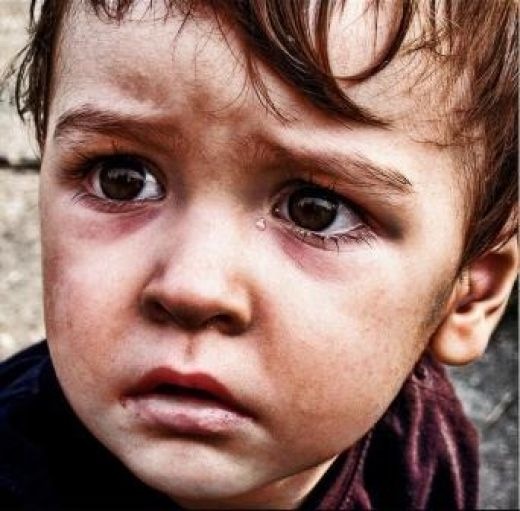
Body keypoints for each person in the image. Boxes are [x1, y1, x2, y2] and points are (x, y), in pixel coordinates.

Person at [0, 0, 517, 509]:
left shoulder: (422, 447)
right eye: (123, 180)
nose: (192, 288)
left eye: (316, 211)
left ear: (469, 294)